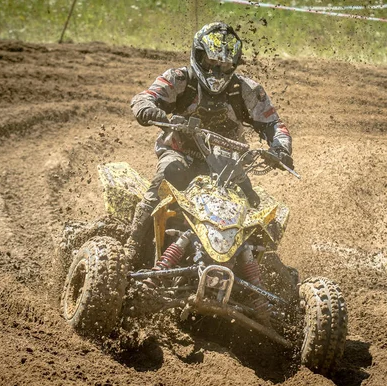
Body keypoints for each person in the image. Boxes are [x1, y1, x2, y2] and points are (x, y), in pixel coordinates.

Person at [125, 21, 293, 264]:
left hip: (227, 166)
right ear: (198, 55)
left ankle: (260, 269)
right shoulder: (180, 78)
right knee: (168, 175)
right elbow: (145, 97)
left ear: (234, 64)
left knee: (257, 208)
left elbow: (273, 124)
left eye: (224, 65)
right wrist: (148, 110)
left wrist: (280, 148)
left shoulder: (245, 90)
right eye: (212, 63)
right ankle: (132, 246)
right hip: (181, 154)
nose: (217, 71)